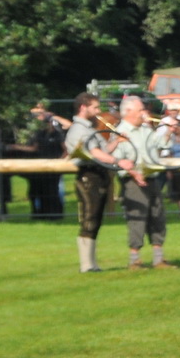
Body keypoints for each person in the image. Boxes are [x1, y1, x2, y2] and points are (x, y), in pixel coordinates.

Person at [63, 92, 121, 272]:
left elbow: (104, 150)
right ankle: (86, 264)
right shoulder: (78, 129)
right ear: (83, 107)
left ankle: (92, 263)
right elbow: (95, 153)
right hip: (88, 176)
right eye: (95, 107)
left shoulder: (90, 128)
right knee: (89, 219)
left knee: (95, 218)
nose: (98, 111)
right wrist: (118, 162)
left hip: (98, 174)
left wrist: (118, 139)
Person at [114, 95, 174, 269]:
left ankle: (158, 258)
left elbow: (162, 143)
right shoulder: (119, 132)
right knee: (137, 219)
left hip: (152, 178)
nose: (144, 113)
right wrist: (133, 173)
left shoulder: (145, 129)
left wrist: (169, 129)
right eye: (140, 110)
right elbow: (117, 160)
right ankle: (135, 260)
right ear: (128, 111)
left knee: (158, 216)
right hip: (133, 182)